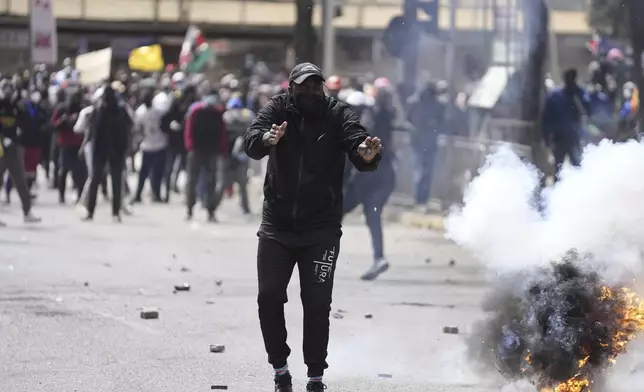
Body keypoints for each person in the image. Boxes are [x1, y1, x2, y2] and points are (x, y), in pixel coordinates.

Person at [244, 62, 382, 392]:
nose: (310, 92)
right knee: (268, 297)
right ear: (291, 88)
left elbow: (357, 140)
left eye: (315, 86)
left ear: (323, 88)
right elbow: (251, 141)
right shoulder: (278, 108)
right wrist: (267, 137)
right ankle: (280, 369)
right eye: (303, 86)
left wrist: (365, 153)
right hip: (277, 226)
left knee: (318, 303)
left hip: (321, 230)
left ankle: (315, 377)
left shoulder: (336, 113)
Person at [343, 80, 397, 280]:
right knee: (372, 216)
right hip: (383, 177)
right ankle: (379, 258)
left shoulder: (370, 119)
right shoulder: (383, 117)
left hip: (367, 179)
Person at [84, 84, 132, 222]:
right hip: (103, 150)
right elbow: (92, 131)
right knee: (98, 181)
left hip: (112, 151)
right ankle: (94, 211)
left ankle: (111, 212)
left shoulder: (117, 111)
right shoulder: (101, 111)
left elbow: (128, 128)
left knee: (111, 182)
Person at [0, 79, 41, 225]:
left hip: (13, 148)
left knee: (20, 180)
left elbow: (27, 123)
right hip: (0, 147)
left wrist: (22, 106)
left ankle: (27, 211)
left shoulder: (17, 106)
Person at [184, 89, 227, 221]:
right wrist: (190, 147)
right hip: (196, 151)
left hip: (211, 152)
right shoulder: (196, 112)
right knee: (192, 181)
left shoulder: (217, 114)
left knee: (211, 182)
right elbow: (189, 131)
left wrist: (222, 150)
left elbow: (222, 134)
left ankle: (210, 211)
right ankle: (190, 209)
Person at [542, 68, 591, 180]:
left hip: (574, 138)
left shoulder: (579, 94)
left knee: (578, 169)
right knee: (558, 171)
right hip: (559, 139)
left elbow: (588, 110)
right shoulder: (555, 96)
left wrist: (577, 95)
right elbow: (546, 118)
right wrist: (546, 137)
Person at [216, 96, 255, 216]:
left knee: (222, 184)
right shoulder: (247, 117)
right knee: (242, 184)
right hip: (241, 155)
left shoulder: (224, 117)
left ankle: (212, 206)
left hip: (226, 155)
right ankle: (246, 208)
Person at [132, 88, 168, 204]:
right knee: (152, 172)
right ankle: (151, 194)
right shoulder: (156, 112)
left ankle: (144, 194)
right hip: (155, 145)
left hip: (151, 145)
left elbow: (137, 129)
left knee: (148, 173)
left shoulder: (143, 112)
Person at [51, 88, 87, 203]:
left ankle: (80, 195)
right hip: (65, 144)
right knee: (63, 170)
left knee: (80, 172)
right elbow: (53, 124)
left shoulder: (83, 110)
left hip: (79, 145)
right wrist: (63, 120)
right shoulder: (62, 109)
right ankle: (61, 195)